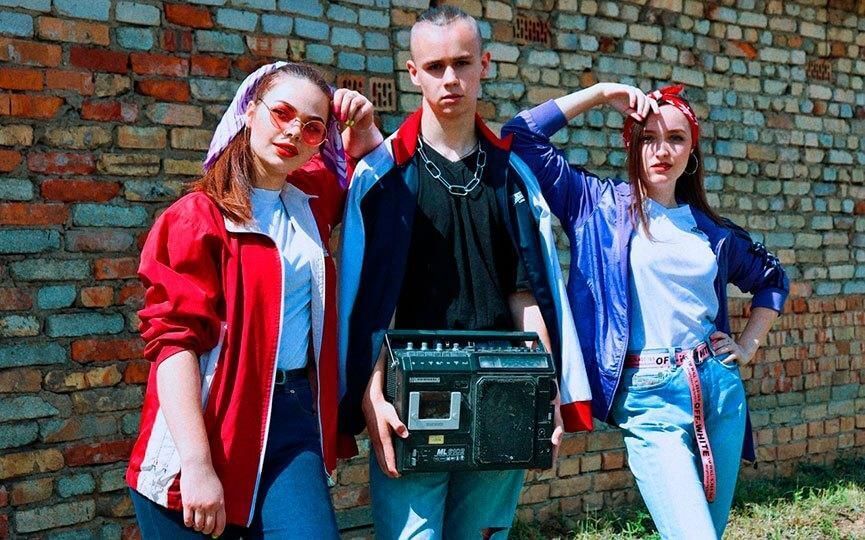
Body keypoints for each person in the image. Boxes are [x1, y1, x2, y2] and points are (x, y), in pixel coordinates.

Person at [336, 7, 593, 539]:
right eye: (435, 67)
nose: (449, 78)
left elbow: (525, 295)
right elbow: (372, 304)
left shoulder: (512, 176)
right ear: (413, 73)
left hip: (503, 391)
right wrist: (371, 394)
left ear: (485, 65)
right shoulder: (382, 178)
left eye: (462, 63)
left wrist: (544, 387)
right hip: (411, 398)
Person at [501, 83, 789, 538]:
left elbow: (772, 280)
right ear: (631, 145)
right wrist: (601, 93)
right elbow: (519, 136)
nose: (662, 150)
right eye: (648, 138)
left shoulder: (711, 232)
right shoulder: (594, 206)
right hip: (648, 399)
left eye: (676, 138)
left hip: (719, 391)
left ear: (692, 153)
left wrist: (748, 345)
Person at [125, 61, 382, 539]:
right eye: (281, 113)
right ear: (249, 111)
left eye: (312, 127)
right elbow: (174, 346)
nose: (294, 132)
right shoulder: (196, 218)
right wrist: (196, 464)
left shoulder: (310, 200)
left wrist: (363, 123)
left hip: (292, 421)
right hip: (208, 424)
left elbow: (364, 165)